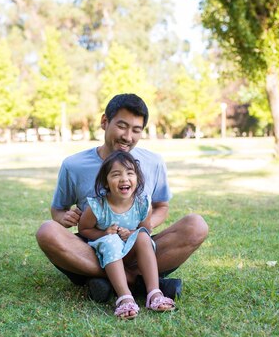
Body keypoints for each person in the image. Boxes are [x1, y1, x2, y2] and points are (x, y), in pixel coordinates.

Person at [36, 93, 208, 301]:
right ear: (104, 122)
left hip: (137, 248)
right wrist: (63, 218)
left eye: (136, 130)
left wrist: (138, 230)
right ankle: (135, 281)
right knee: (47, 231)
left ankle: (107, 283)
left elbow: (161, 206)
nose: (128, 136)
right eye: (122, 126)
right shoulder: (73, 165)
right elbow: (58, 209)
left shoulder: (153, 162)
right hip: (93, 249)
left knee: (196, 226)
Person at [78, 150, 175, 319]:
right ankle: (125, 297)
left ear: (137, 179)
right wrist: (104, 233)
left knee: (143, 236)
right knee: (111, 241)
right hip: (106, 252)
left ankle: (154, 292)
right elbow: (84, 230)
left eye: (130, 173)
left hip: (131, 253)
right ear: (106, 182)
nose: (124, 179)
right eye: (116, 174)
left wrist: (130, 233)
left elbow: (145, 230)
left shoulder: (142, 204)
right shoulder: (97, 206)